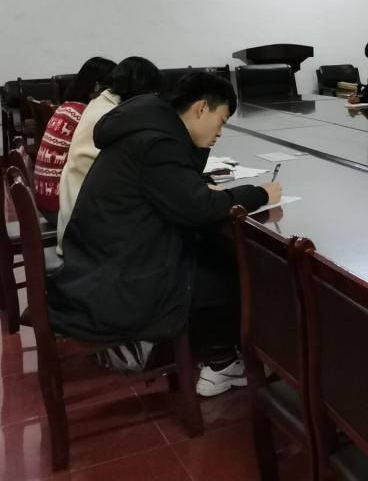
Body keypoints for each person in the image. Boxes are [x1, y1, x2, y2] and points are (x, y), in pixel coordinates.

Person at [48, 71, 281, 396]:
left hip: (100, 262)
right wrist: (260, 193)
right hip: (118, 282)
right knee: (231, 271)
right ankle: (221, 364)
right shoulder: (156, 144)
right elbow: (199, 209)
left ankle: (220, 355)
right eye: (221, 121)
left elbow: (179, 189)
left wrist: (198, 188)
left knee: (211, 251)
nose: (220, 132)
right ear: (201, 108)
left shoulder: (148, 127)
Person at [57, 56, 162, 250]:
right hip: (85, 237)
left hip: (77, 219)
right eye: (153, 94)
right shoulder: (115, 116)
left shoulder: (99, 103)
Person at [34, 56, 116, 215]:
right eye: (112, 88)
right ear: (97, 87)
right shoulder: (85, 116)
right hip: (59, 207)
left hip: (46, 199)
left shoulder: (67, 107)